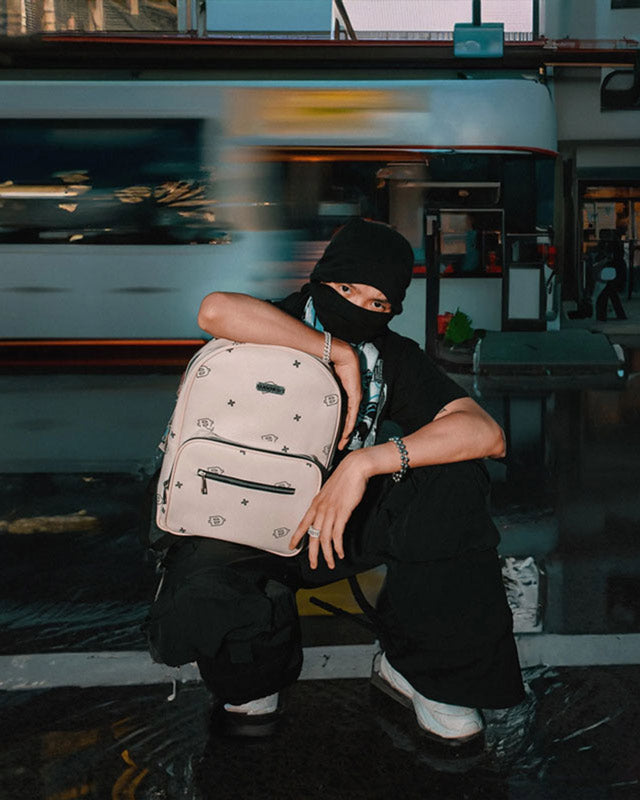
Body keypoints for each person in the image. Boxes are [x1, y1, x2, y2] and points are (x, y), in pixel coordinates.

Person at [146, 218, 525, 744]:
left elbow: (485, 432)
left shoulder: (393, 356)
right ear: (322, 279)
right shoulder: (273, 320)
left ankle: (426, 674)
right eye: (346, 289)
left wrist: (364, 464)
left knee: (453, 479)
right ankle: (252, 672)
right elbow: (214, 309)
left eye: (377, 304)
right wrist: (333, 351)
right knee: (215, 591)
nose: (357, 309)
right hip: (235, 517)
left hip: (334, 525)